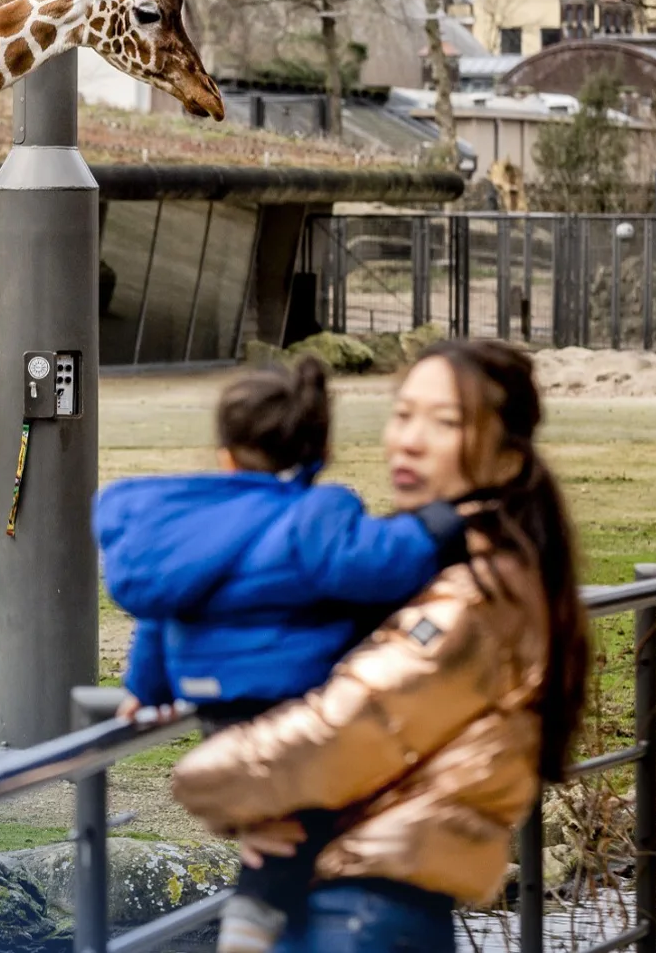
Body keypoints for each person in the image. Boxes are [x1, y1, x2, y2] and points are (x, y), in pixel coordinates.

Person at [164, 339, 591, 953]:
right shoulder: (470, 562)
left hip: (358, 916)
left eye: (445, 422)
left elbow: (344, 734)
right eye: (403, 413)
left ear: (508, 456)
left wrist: (209, 784)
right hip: (363, 900)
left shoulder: (472, 598)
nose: (408, 440)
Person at [94, 355, 471, 953]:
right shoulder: (313, 513)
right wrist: (437, 526)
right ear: (317, 452)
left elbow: (164, 613)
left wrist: (148, 688)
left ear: (225, 451)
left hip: (220, 707)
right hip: (290, 696)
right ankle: (252, 918)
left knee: (279, 822)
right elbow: (373, 566)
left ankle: (256, 913)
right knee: (310, 817)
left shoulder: (188, 524)